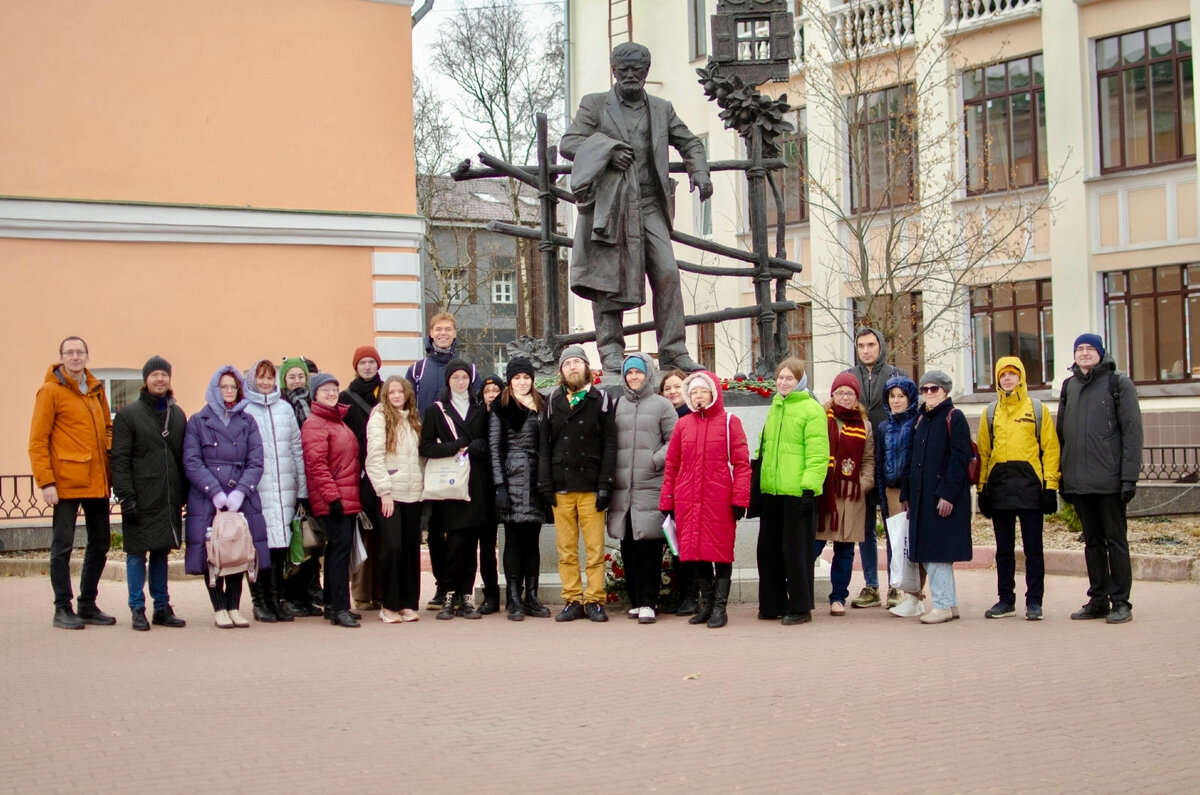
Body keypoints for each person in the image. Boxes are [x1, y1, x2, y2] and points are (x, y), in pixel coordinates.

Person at [559, 42, 712, 374]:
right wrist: (608, 150)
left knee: (668, 273)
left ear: (647, 71)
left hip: (649, 205)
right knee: (607, 278)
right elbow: (569, 142)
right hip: (612, 206)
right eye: (623, 69)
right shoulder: (595, 105)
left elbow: (689, 141)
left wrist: (699, 171)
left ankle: (673, 351)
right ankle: (611, 350)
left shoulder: (661, 108)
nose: (630, 76)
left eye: (637, 70)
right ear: (613, 70)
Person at [29, 335, 117, 629]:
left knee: (100, 543)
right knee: (62, 547)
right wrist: (46, 483)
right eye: (70, 352)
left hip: (96, 480)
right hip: (65, 483)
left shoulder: (95, 390)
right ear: (62, 357)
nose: (76, 356)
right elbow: (38, 441)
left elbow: (107, 427)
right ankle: (61, 608)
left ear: (87, 356)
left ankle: (87, 603)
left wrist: (107, 452)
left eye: (80, 352)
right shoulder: (49, 392)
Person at [1057, 333, 1143, 624]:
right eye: (1079, 348)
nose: (1083, 353)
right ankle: (1098, 599)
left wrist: (1129, 478)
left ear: (1100, 352)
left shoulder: (1119, 384)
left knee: (1116, 541)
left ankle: (1121, 602)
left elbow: (1132, 433)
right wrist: (1064, 477)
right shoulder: (1069, 387)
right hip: (1079, 482)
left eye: (1089, 348)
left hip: (1109, 480)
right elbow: (1062, 435)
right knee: (1092, 543)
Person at [659, 371, 751, 628]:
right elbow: (672, 465)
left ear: (713, 393)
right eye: (694, 392)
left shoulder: (729, 422)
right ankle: (707, 604)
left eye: (703, 391)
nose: (698, 396)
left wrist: (740, 499)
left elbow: (742, 465)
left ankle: (720, 608)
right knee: (697, 553)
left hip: (718, 499)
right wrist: (668, 501)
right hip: (688, 499)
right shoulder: (683, 424)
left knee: (721, 554)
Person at [183, 366, 268, 629]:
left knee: (238, 550)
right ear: (215, 389)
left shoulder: (248, 421)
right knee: (212, 551)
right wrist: (216, 492)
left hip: (242, 497)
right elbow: (192, 460)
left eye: (234, 387)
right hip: (208, 498)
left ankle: (233, 606)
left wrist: (240, 491)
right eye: (224, 387)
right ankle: (218, 607)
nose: (229, 392)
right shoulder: (198, 421)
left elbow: (256, 460)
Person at [405, 312, 480, 609]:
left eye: (448, 329)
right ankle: (441, 585)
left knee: (460, 524)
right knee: (434, 524)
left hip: (461, 460)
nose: (444, 333)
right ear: (431, 333)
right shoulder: (418, 369)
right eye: (439, 329)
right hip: (429, 455)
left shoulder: (469, 368)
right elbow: (407, 405)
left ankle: (459, 587)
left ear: (455, 333)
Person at [977, 357, 1061, 621]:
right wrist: (982, 490)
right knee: (1004, 550)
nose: (1008, 379)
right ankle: (1006, 600)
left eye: (1013, 374)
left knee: (1033, 549)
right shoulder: (990, 412)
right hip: (1000, 488)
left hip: (1030, 488)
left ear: (1021, 377)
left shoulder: (1037, 409)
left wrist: (1050, 487)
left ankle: (1034, 601)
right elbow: (983, 452)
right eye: (1003, 375)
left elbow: (1051, 449)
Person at [538, 346, 617, 623]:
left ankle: (595, 600)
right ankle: (572, 599)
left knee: (595, 549)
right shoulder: (551, 401)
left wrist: (606, 483)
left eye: (577, 362)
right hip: (561, 486)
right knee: (566, 549)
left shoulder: (602, 400)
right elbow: (544, 446)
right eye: (567, 363)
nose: (572, 367)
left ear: (586, 367)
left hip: (592, 486)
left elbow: (610, 445)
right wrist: (545, 483)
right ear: (560, 371)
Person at [110, 356, 188, 631]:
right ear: (145, 380)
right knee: (136, 553)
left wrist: (185, 495)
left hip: (167, 497)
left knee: (161, 552)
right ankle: (137, 608)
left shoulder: (177, 414)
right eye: (154, 375)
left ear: (169, 379)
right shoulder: (128, 415)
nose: (159, 380)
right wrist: (126, 497)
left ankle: (162, 607)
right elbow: (119, 459)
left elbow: (183, 458)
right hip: (140, 497)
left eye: (164, 375)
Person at [755, 358, 828, 625]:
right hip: (772, 491)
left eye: (789, 378)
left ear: (801, 381)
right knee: (769, 550)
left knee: (796, 553)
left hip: (798, 493)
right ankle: (772, 603)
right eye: (780, 378)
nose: (783, 382)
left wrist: (810, 488)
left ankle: (800, 607)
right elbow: (766, 446)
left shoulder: (811, 409)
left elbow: (818, 454)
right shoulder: (776, 405)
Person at [607, 353, 677, 624]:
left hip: (650, 485)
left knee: (648, 547)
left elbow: (674, 441)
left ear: (647, 374)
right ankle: (636, 600)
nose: (634, 377)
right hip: (623, 490)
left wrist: (654, 460)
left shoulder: (662, 406)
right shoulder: (617, 405)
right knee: (627, 546)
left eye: (638, 372)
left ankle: (649, 601)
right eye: (629, 373)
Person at [420, 358, 491, 620]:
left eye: (464, 377)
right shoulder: (436, 410)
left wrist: (479, 446)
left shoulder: (479, 409)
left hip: (474, 485)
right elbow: (426, 447)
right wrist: (454, 446)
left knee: (470, 543)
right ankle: (449, 594)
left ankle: (466, 597)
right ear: (448, 381)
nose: (460, 382)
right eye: (455, 378)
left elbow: (487, 441)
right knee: (454, 543)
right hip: (449, 486)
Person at [842, 327, 908, 609]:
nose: (866, 350)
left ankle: (897, 585)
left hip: (891, 461)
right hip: (861, 464)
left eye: (871, 344)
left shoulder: (896, 377)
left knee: (894, 526)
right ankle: (871, 585)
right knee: (864, 528)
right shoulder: (849, 377)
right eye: (861, 345)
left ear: (880, 346)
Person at [901, 371, 973, 625]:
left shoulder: (955, 417)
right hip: (922, 499)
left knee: (937, 553)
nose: (929, 393)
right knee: (932, 551)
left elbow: (959, 459)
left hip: (942, 499)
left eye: (935, 389)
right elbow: (912, 459)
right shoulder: (922, 419)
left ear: (945, 391)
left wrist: (947, 495)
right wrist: (906, 493)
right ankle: (949, 604)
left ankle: (942, 605)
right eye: (925, 389)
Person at [244, 358, 307, 623]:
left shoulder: (284, 409)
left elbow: (296, 449)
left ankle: (276, 598)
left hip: (285, 488)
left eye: (270, 378)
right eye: (261, 377)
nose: (266, 382)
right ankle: (260, 601)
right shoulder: (245, 409)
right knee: (260, 548)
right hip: (258, 489)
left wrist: (301, 488)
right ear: (252, 380)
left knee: (281, 548)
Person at [488, 357, 552, 621]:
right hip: (512, 475)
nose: (522, 382)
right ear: (510, 381)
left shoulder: (542, 404)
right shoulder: (501, 407)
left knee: (532, 541)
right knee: (513, 541)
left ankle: (532, 597)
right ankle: (514, 598)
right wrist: (499, 485)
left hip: (537, 478)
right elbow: (494, 448)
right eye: (517, 378)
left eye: (526, 377)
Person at [301, 372, 362, 628]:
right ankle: (339, 608)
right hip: (334, 499)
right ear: (314, 394)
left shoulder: (337, 421)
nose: (331, 393)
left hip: (344, 496)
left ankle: (331, 604)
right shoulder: (315, 423)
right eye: (325, 389)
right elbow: (316, 465)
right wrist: (332, 498)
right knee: (338, 552)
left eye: (334, 389)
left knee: (337, 550)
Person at [814, 373, 876, 617]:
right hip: (825, 492)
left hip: (851, 496)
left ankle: (838, 597)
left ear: (856, 397)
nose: (845, 397)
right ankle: (799, 591)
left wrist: (862, 484)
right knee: (814, 546)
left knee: (845, 551)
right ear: (832, 395)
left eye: (849, 393)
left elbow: (869, 460)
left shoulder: (865, 425)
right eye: (840, 392)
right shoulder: (821, 418)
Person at [365, 376, 424, 623]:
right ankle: (388, 604)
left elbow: (419, 457)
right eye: (392, 393)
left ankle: (408, 603)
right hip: (391, 494)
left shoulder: (413, 418)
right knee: (393, 548)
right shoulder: (379, 418)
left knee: (411, 549)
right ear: (385, 396)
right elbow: (374, 457)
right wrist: (384, 491)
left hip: (414, 493)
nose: (397, 396)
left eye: (401, 392)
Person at [875, 376, 927, 618]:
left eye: (901, 396)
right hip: (892, 491)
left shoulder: (919, 422)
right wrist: (882, 499)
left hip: (913, 492)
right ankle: (908, 595)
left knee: (916, 545)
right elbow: (879, 463)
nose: (896, 401)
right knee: (899, 545)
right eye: (892, 397)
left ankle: (917, 596)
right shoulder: (884, 427)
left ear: (910, 398)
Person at [278, 356, 323, 617]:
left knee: (313, 541)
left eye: (300, 376)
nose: (296, 381)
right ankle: (290, 596)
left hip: (315, 482)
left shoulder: (314, 404)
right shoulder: (282, 407)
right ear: (284, 380)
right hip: (291, 483)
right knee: (295, 542)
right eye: (291, 376)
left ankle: (306, 595)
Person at [340, 345, 383, 612]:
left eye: (371, 362)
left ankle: (380, 591)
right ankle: (362, 592)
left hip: (383, 472)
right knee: (363, 533)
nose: (367, 366)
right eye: (362, 363)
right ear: (355, 367)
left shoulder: (388, 394)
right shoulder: (346, 397)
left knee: (382, 534)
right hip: (358, 474)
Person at [657, 367, 697, 614]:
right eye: (667, 388)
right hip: (670, 489)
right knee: (676, 546)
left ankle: (693, 595)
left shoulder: (692, 416)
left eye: (676, 386)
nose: (672, 391)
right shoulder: (660, 416)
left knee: (691, 546)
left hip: (691, 489)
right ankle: (683, 595)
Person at [475, 372, 505, 614]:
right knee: (486, 545)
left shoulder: (509, 415)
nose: (491, 395)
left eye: (495, 390)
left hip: (507, 487)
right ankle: (491, 594)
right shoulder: (476, 418)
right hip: (481, 492)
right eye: (487, 391)